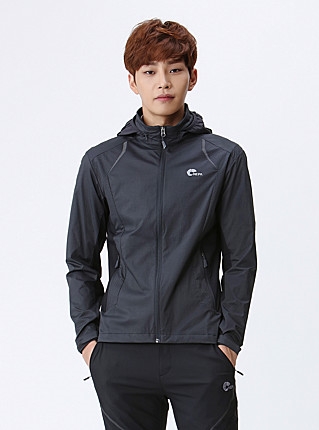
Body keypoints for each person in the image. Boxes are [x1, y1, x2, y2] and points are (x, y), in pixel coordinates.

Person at [66, 18, 257, 430]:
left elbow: (241, 259)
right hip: (122, 351)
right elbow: (80, 260)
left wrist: (228, 342)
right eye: (150, 71)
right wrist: (89, 342)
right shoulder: (102, 162)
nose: (163, 82)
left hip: (200, 348)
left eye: (174, 69)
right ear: (132, 81)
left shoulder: (223, 158)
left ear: (192, 77)